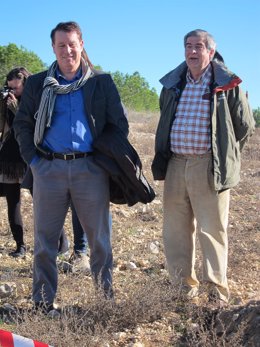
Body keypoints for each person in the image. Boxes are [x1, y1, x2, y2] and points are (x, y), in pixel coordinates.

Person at [14, 21, 128, 311]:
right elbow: (23, 124)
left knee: (99, 242)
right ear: (53, 48)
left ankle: (105, 302)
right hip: (48, 169)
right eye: (61, 45)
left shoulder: (100, 82)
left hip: (90, 170)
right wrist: (35, 162)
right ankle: (42, 303)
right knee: (44, 242)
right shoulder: (38, 83)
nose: (67, 50)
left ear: (82, 44)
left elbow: (119, 126)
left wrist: (101, 162)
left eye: (72, 44)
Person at [152, 29, 255, 306]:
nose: (193, 52)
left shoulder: (226, 84)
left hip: (208, 166)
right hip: (175, 164)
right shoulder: (174, 83)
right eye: (188, 46)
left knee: (212, 231)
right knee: (175, 231)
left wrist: (225, 157)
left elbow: (244, 127)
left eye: (199, 46)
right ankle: (181, 290)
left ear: (211, 51)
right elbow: (165, 117)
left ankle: (215, 294)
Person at [0, 67, 30, 257]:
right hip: (9, 157)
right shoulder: (6, 101)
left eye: (16, 88)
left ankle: (61, 244)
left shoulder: (34, 100)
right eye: (9, 88)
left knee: (43, 201)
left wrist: (15, 108)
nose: (12, 92)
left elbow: (31, 125)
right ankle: (20, 246)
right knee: (13, 203)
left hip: (29, 156)